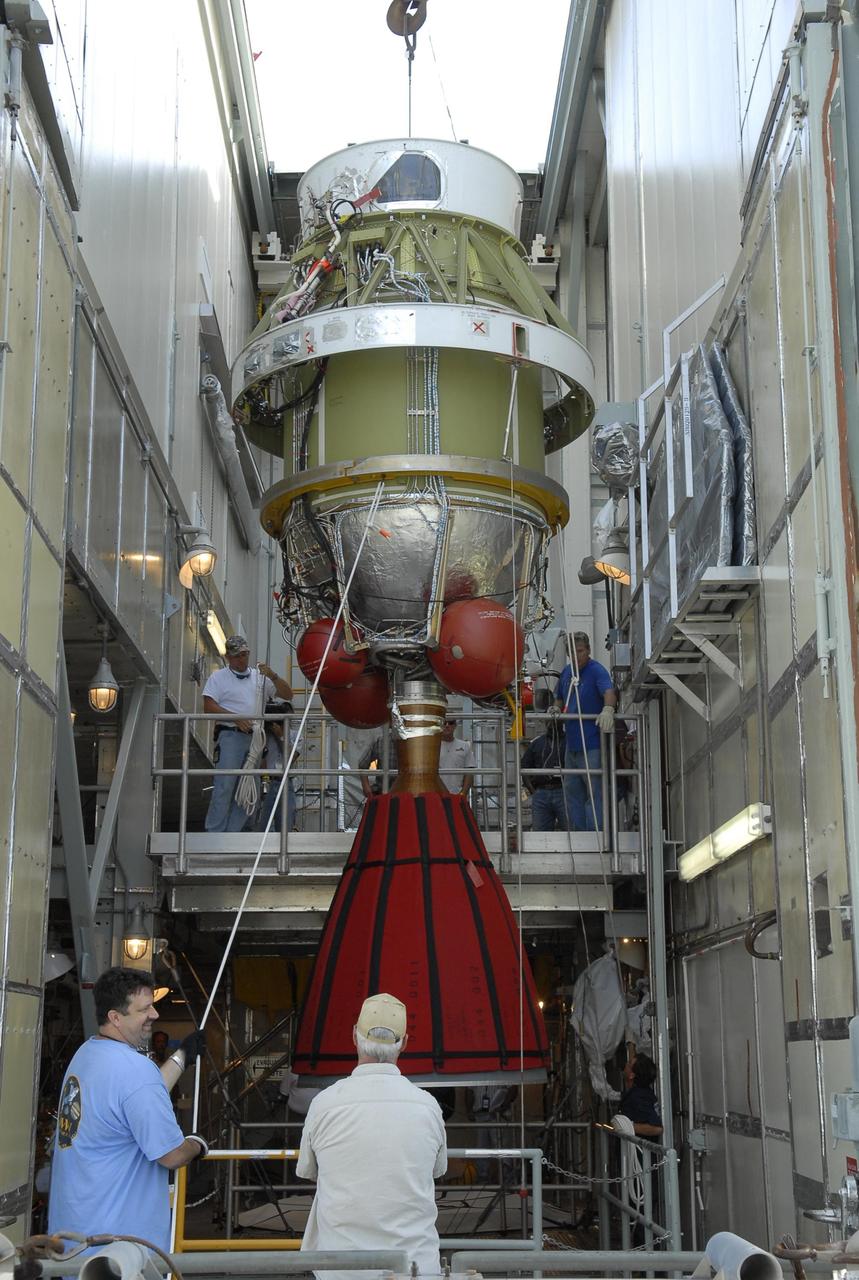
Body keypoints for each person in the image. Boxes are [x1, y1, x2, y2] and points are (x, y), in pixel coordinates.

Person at [48, 967, 208, 1255]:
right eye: (145, 1009)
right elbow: (171, 1156)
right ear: (115, 1017)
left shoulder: (87, 1054)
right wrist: (197, 1145)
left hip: (75, 1238)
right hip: (119, 1252)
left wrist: (181, 1056)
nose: (155, 1015)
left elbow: (137, 1095)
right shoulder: (134, 1071)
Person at [297, 993, 447, 1280]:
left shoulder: (325, 1104)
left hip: (341, 1270)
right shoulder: (428, 1106)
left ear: (354, 1036)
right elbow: (437, 1170)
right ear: (404, 1042)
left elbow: (309, 1170)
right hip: (415, 1267)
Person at [202, 635, 292, 832]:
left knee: (249, 787)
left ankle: (232, 833)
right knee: (225, 785)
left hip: (255, 738)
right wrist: (235, 717)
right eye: (237, 656)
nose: (241, 660)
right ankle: (215, 832)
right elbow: (208, 706)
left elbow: (287, 694)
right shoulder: (218, 677)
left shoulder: (260, 679)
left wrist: (273, 676)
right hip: (230, 736)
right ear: (228, 658)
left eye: (244, 655)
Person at [554, 632, 617, 831]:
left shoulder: (596, 671)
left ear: (588, 650)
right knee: (572, 791)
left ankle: (595, 833)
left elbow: (609, 692)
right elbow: (559, 695)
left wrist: (608, 709)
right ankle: (580, 833)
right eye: (572, 652)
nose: (576, 656)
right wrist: (556, 707)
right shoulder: (566, 672)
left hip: (591, 743)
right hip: (571, 743)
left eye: (580, 651)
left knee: (594, 791)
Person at [255, 699, 298, 832]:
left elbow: (291, 758)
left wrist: (280, 736)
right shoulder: (264, 734)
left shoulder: (295, 735)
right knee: (262, 826)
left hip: (286, 782)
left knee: (285, 827)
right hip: (266, 781)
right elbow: (259, 758)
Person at [520, 716, 568, 831]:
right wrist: (532, 791)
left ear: (563, 721)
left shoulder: (570, 742)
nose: (552, 722)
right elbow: (524, 767)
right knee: (540, 833)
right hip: (541, 793)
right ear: (545, 721)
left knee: (570, 830)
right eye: (549, 719)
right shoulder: (537, 743)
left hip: (564, 792)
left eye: (556, 719)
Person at [467, 1083, 517, 1181]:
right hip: (480, 1113)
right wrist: (469, 1110)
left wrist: (503, 1106)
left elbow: (514, 1089)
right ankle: (482, 1175)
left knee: (501, 1145)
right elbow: (469, 1090)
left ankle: (505, 1175)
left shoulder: (504, 1069)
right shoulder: (475, 1068)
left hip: (498, 1114)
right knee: (481, 1146)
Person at [617, 1053, 663, 1137]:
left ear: (632, 1075)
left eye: (629, 1063)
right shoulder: (641, 1093)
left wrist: (626, 1126)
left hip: (639, 1149)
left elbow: (656, 1128)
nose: (626, 1064)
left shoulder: (639, 1097)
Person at [439, 716, 477, 799]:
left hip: (457, 795)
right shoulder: (433, 747)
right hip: (437, 796)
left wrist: (463, 794)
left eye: (451, 723)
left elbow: (469, 772)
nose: (447, 725)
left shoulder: (464, 746)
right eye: (444, 723)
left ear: (455, 725)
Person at [357, 732, 397, 798]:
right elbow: (362, 764)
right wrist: (366, 787)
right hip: (382, 792)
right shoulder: (381, 741)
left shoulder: (416, 743)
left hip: (408, 792)